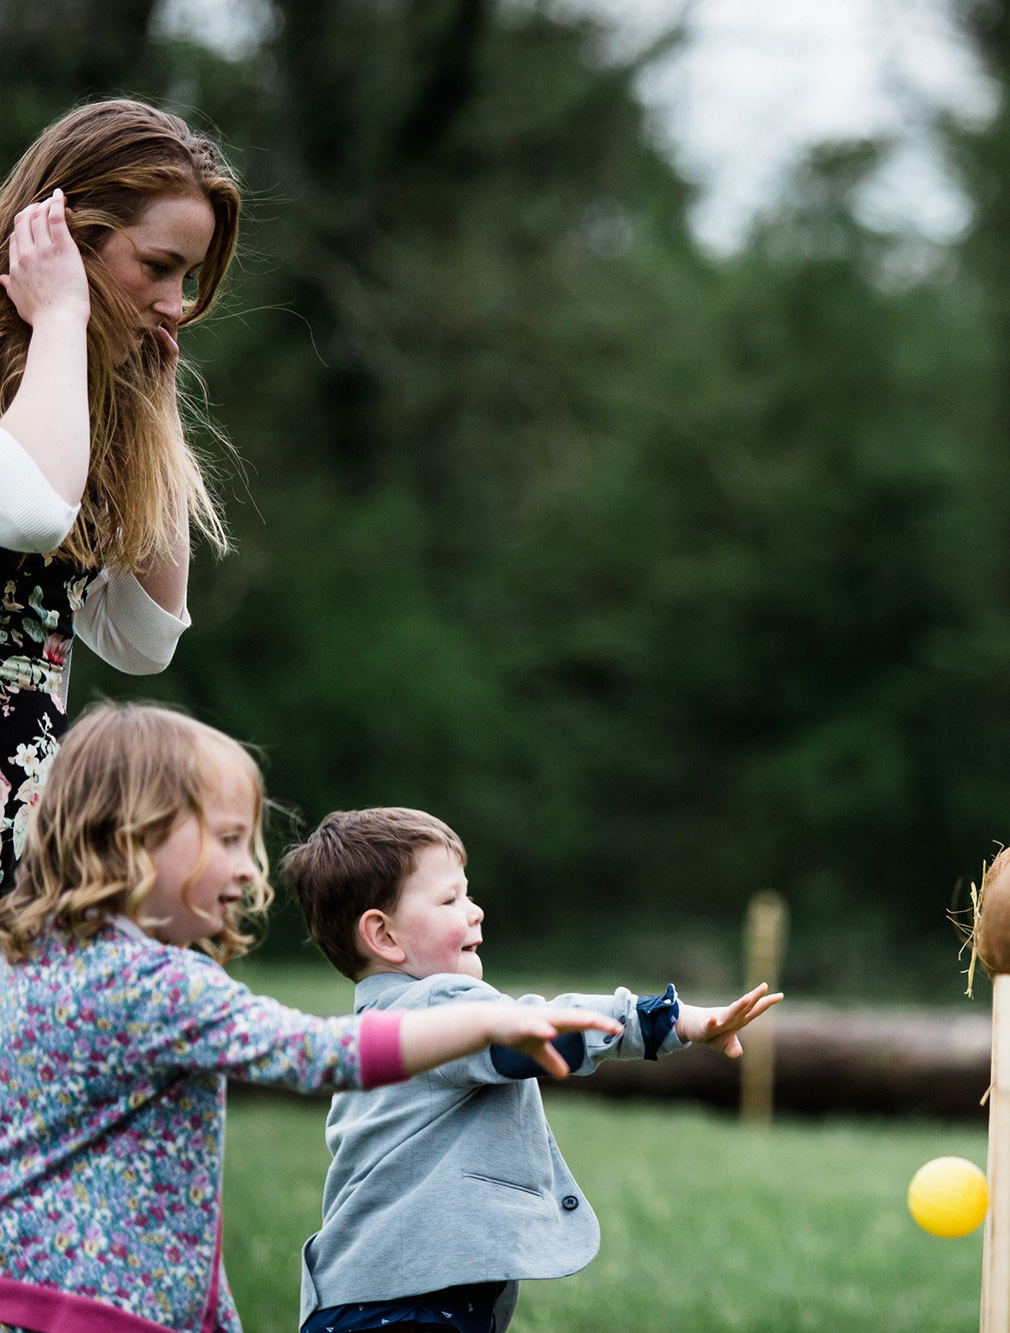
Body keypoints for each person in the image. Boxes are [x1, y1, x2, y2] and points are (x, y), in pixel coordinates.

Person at [0, 703, 625, 1333]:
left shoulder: (21, 966)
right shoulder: (157, 986)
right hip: (113, 1315)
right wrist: (483, 1025)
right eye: (227, 839)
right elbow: (317, 1053)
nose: (249, 867)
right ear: (134, 838)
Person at [281, 807, 782, 1333]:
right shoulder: (431, 1005)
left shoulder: (370, 1033)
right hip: (407, 1309)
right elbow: (531, 1030)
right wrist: (667, 1020)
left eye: (468, 894)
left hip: (362, 1301)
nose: (474, 911)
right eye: (450, 899)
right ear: (383, 936)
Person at [0, 99, 243, 886]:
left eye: (189, 279)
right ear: (71, 235)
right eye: (160, 266)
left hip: (23, 832)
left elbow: (142, 639)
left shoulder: (82, 399)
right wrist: (65, 312)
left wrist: (153, 415)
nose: (175, 305)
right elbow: (29, 513)